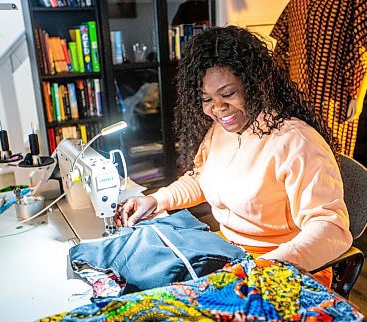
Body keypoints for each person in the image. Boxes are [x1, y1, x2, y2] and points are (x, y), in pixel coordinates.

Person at [115, 26, 353, 286]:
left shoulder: (296, 142)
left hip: (287, 267)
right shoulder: (221, 130)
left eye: (228, 94)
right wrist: (157, 200)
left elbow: (331, 229)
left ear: (255, 84)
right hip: (232, 255)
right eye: (206, 99)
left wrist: (263, 268)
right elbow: (201, 179)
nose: (217, 108)